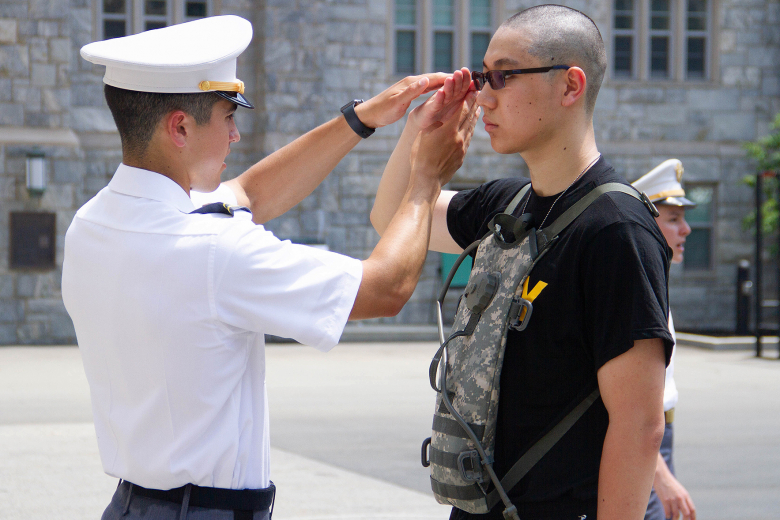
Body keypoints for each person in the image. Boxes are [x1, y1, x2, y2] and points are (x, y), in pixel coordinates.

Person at [62, 15, 477, 520]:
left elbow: (252, 193)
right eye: (226, 116)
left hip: (132, 505)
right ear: (180, 127)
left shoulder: (93, 223)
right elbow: (385, 289)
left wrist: (362, 118)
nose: (235, 135)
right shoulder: (213, 249)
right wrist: (425, 177)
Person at [371, 5, 673, 520]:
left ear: (570, 86)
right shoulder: (505, 204)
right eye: (483, 75)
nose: (484, 95)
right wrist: (420, 131)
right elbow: (393, 217)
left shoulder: (616, 229)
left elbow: (639, 425)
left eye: (503, 76)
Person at [633, 159, 698, 520]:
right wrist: (662, 477)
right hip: (643, 442)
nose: (686, 229)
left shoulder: (655, 278)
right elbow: (625, 400)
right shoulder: (640, 287)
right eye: (673, 219)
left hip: (657, 438)